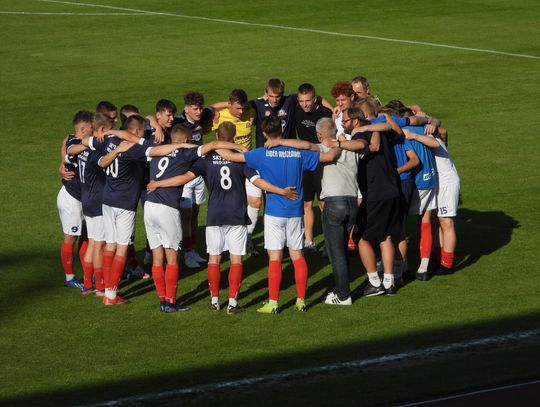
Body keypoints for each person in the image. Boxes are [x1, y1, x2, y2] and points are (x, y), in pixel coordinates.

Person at [149, 122, 298, 314]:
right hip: (236, 214)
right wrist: (281, 191)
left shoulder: (206, 159)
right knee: (236, 260)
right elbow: (258, 182)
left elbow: (184, 178)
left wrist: (158, 184)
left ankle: (214, 300)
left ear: (217, 137)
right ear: (234, 138)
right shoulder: (241, 159)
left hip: (214, 215)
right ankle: (233, 303)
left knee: (214, 258)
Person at [220, 115, 340, 313]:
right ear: (282, 131)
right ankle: (301, 300)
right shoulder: (297, 152)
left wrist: (215, 145)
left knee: (275, 258)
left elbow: (231, 157)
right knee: (298, 256)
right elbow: (328, 156)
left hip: (274, 212)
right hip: (295, 211)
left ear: (265, 133)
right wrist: (339, 142)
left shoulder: (260, 154)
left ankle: (273, 302)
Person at [87, 115, 190, 305]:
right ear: (135, 132)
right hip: (125, 203)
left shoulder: (109, 140)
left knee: (110, 244)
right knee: (122, 247)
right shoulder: (133, 149)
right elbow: (157, 150)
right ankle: (111, 295)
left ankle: (104, 288)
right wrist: (180, 146)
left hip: (107, 199)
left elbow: (96, 155)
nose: (144, 134)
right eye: (142, 131)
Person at [324, 106, 400, 296]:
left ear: (356, 121)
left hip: (375, 194)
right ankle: (389, 282)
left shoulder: (361, 134)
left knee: (361, 238)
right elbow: (393, 130)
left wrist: (338, 144)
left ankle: (374, 282)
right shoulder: (377, 130)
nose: (342, 124)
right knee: (386, 236)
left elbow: (361, 146)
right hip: (392, 191)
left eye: (345, 121)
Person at [67, 113, 114, 296]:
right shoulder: (96, 150)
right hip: (99, 200)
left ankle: (88, 284)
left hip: (86, 198)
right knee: (99, 245)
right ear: (102, 130)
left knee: (94, 243)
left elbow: (69, 150)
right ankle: (100, 286)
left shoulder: (81, 148)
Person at [211, 89, 261, 257]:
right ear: (229, 104)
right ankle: (226, 241)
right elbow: (207, 110)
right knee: (231, 204)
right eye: (237, 108)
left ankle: (247, 237)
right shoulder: (219, 115)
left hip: (247, 164)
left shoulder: (250, 112)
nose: (241, 112)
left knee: (255, 202)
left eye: (243, 108)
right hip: (226, 166)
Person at [404, 129, 460, 275]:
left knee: (446, 222)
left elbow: (439, 137)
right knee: (435, 220)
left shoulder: (423, 131)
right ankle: (440, 256)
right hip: (434, 182)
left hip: (446, 182)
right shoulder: (422, 128)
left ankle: (447, 264)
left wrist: (416, 134)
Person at [174, 92, 216, 267]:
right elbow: (152, 118)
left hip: (198, 173)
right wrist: (157, 125)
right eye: (195, 109)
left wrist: (217, 111)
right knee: (186, 214)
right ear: (186, 109)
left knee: (195, 213)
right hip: (185, 174)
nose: (199, 112)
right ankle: (187, 253)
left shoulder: (202, 116)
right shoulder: (177, 122)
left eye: (200, 108)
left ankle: (192, 250)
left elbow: (215, 106)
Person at [294, 83, 333, 252]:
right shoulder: (295, 109)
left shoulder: (326, 113)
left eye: (308, 101)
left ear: (314, 99)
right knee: (306, 204)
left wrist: (330, 106)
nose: (305, 104)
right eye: (302, 101)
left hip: (322, 161)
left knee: (324, 204)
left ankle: (329, 242)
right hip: (304, 163)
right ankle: (309, 240)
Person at [56, 110, 93, 288]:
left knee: (86, 236)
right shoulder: (74, 141)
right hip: (72, 198)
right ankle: (69, 278)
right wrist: (62, 164)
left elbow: (65, 152)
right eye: (92, 127)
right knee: (71, 236)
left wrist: (62, 163)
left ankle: (88, 275)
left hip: (83, 198)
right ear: (84, 128)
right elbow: (67, 151)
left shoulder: (71, 139)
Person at [401, 125, 438, 281]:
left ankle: (402, 267)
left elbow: (413, 161)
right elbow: (439, 137)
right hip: (431, 180)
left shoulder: (402, 133)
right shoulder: (422, 129)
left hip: (416, 183)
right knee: (425, 222)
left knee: (399, 225)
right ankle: (423, 267)